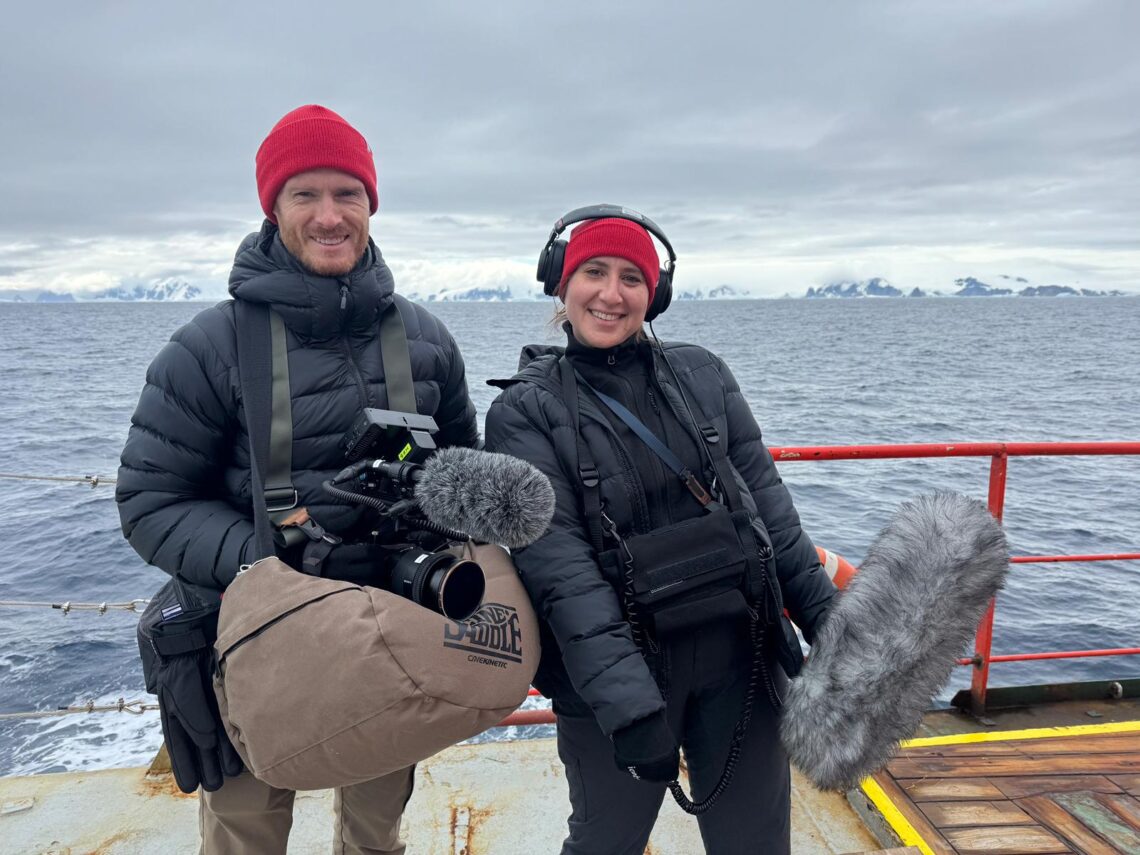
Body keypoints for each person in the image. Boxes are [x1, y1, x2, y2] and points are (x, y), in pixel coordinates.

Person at [117, 104, 479, 855]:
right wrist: (269, 560)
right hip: (254, 640)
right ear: (272, 207)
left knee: (377, 830)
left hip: (390, 636)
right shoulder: (207, 346)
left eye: (347, 193)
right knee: (246, 834)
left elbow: (461, 478)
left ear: (372, 205)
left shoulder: (427, 340)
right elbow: (149, 501)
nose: (328, 215)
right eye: (304, 194)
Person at [484, 207, 836, 854]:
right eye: (594, 272)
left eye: (631, 278)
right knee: (604, 841)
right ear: (562, 283)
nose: (612, 294)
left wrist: (832, 626)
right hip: (619, 678)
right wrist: (628, 703)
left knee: (758, 842)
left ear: (656, 293)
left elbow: (770, 511)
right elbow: (559, 567)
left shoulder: (704, 373)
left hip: (742, 659)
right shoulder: (521, 414)